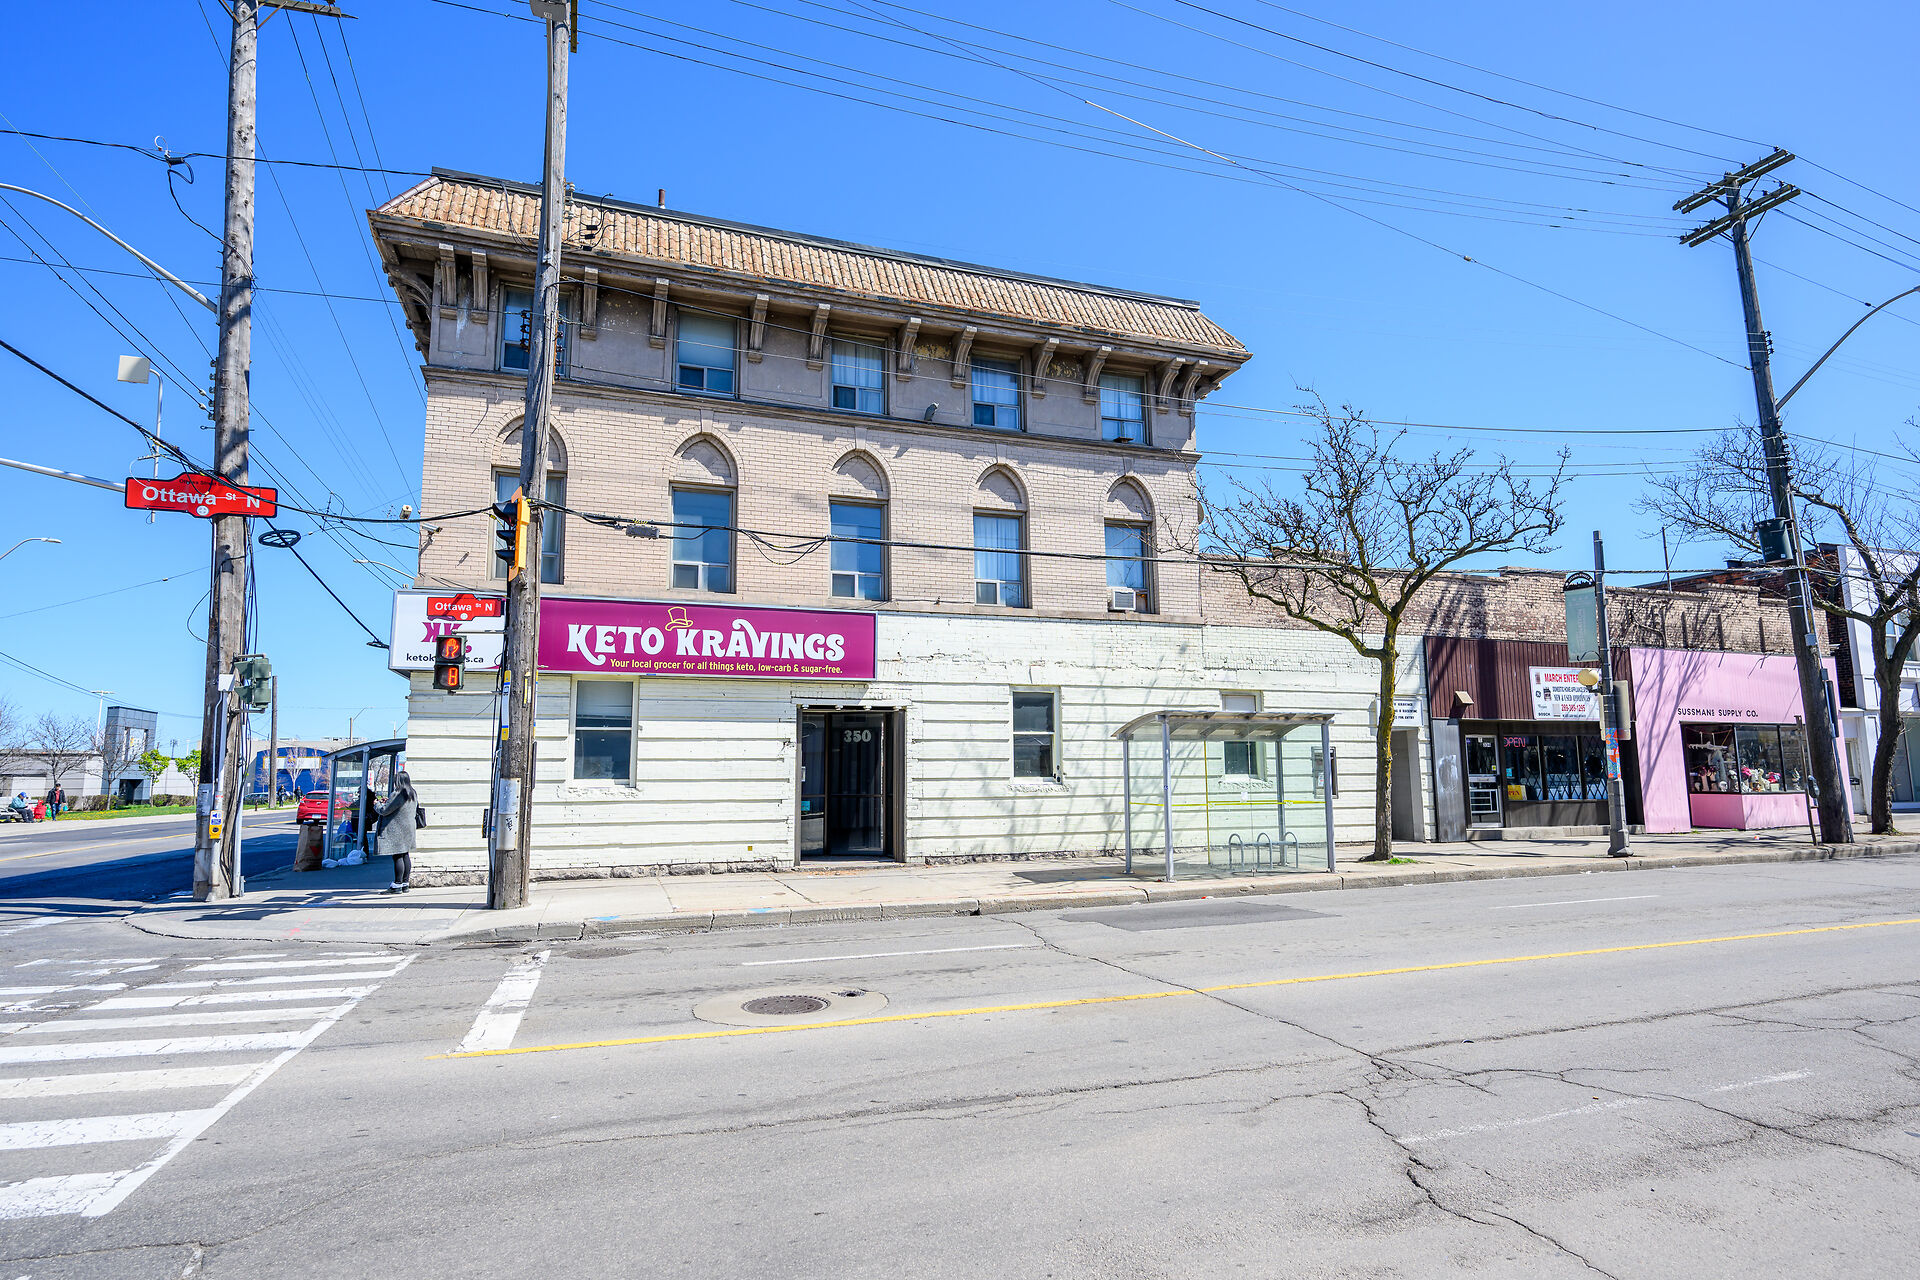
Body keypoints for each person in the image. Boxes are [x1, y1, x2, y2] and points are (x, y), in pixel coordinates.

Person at [373, 770, 418, 893]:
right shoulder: (412, 793)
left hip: (397, 829)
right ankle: (405, 883)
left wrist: (377, 804)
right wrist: (388, 801)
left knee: (397, 855)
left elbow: (385, 811)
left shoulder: (398, 793)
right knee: (405, 854)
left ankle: (397, 884)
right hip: (409, 829)